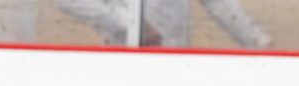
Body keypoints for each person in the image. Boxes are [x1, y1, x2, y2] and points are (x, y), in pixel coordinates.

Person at [57, 0, 271, 48]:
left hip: (177, 62)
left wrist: (256, 41)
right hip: (125, 63)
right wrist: (132, 25)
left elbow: (217, 3)